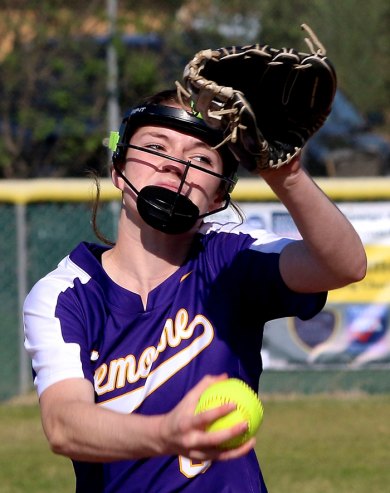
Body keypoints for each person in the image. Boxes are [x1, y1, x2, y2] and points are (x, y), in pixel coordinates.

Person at [23, 88, 366, 493]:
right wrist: (168, 433)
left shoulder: (228, 259)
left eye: (201, 158)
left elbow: (344, 265)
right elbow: (64, 426)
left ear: (220, 193)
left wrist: (285, 174)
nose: (176, 166)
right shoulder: (67, 295)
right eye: (156, 146)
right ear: (118, 168)